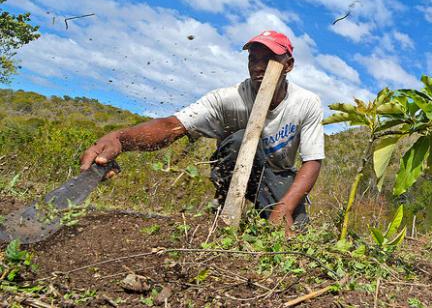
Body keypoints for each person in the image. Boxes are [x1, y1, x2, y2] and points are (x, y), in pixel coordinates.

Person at [80, 30, 325, 232]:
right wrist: (120, 139)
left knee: (298, 234)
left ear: (288, 65)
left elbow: (312, 161)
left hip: (277, 176)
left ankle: (273, 214)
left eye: (269, 59)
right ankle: (225, 214)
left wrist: (284, 208)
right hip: (236, 171)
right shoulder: (228, 98)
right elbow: (172, 126)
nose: (258, 67)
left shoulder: (305, 102)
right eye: (253, 59)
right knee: (239, 140)